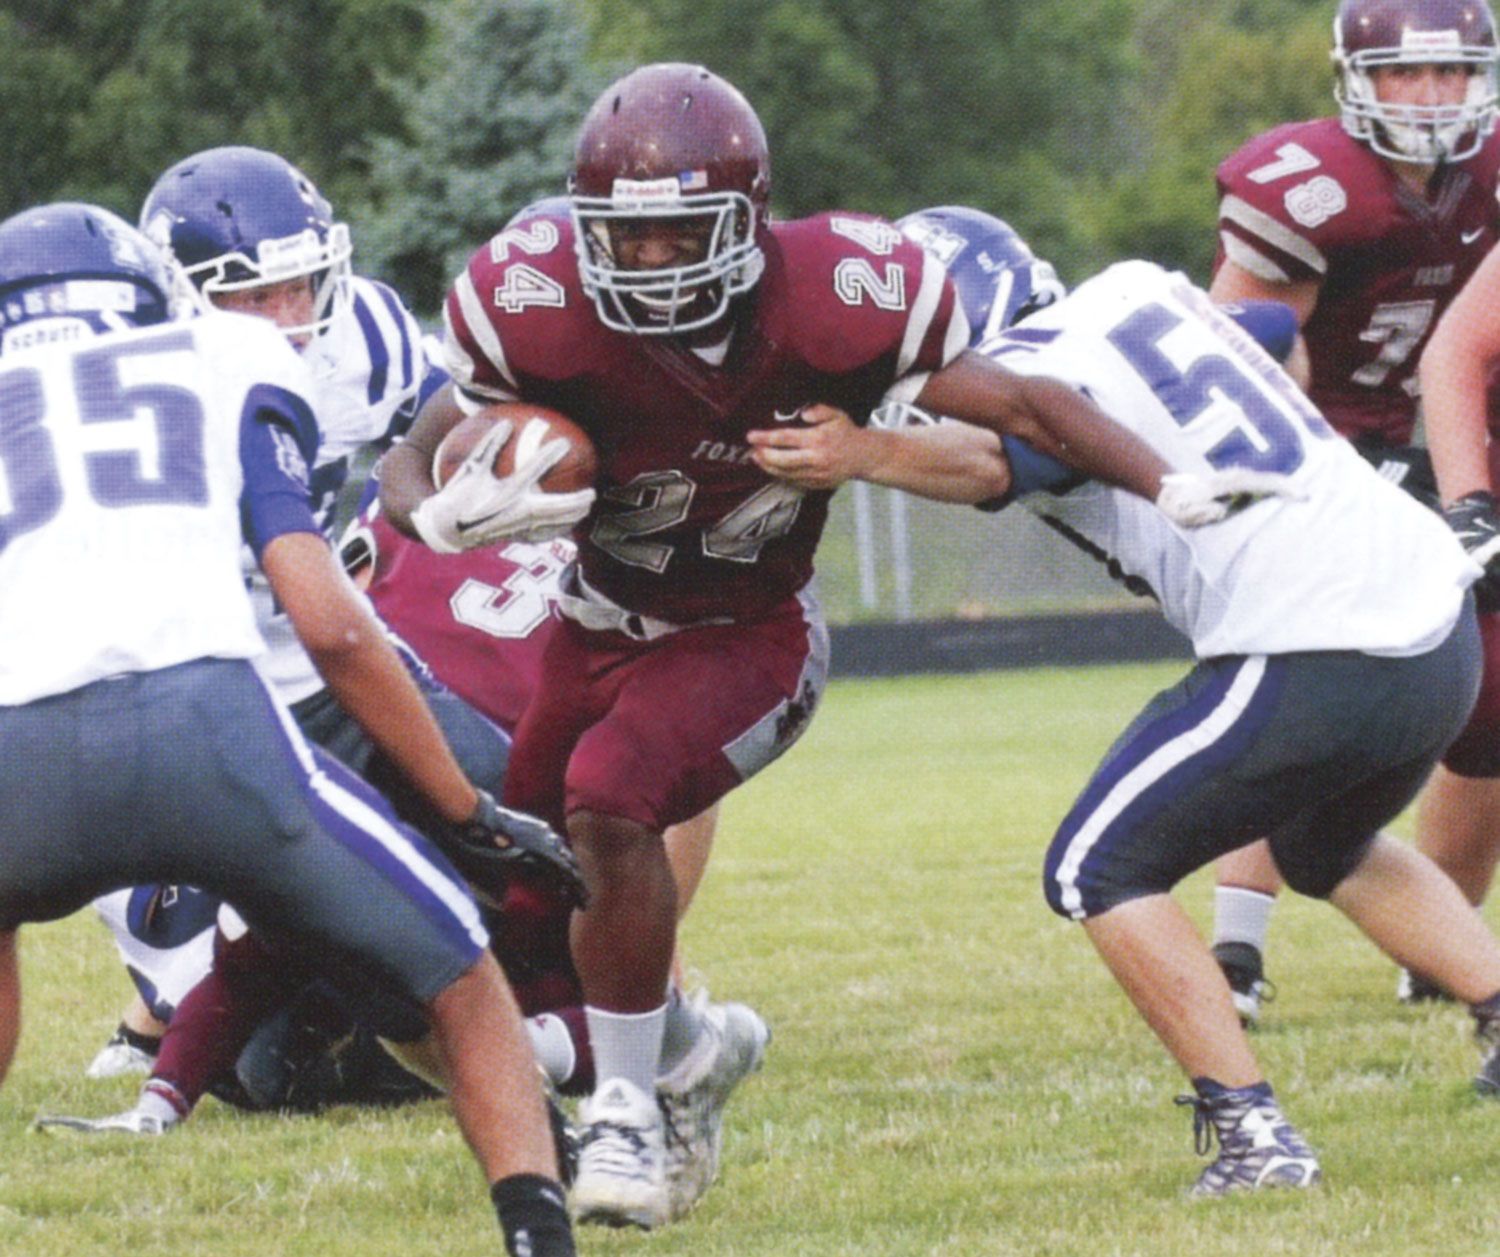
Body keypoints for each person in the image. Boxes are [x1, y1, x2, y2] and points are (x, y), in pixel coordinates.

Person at [379, 63, 1295, 1228]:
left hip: (750, 632)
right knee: (538, 874)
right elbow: (413, 454)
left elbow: (1017, 406)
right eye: (628, 238)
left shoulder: (840, 292)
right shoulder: (536, 301)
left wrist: (1171, 481)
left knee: (614, 801)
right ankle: (694, 1051)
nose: (651, 263)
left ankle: (622, 1114)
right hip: (597, 625)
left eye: (680, 236)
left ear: (747, 223)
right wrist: (434, 513)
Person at [752, 209, 1500, 1195]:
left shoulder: (1030, 366)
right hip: (1436, 625)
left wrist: (865, 454)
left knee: (1096, 865)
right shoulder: (1144, 288)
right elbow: (1271, 334)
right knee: (1327, 847)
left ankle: (1254, 1137)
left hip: (1318, 640)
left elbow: (1000, 448)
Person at [0, 202, 576, 1256]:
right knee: (459, 972)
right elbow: (331, 625)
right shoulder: (221, 353)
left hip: (16, 759)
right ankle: (542, 1228)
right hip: (210, 734)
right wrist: (463, 807)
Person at [83, 144, 500, 1080]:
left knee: (499, 799)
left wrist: (455, 479)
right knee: (267, 1066)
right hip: (174, 691)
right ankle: (164, 1009)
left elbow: (438, 424)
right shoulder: (125, 384)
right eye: (253, 295)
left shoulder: (365, 339)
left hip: (314, 657)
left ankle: (618, 1008)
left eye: (302, 285)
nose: (290, 316)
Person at [1205, 0, 1500, 1020]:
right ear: (1354, 79)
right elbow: (1234, 354)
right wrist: (1316, 474)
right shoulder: (1311, 187)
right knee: (1307, 688)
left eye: (1451, 73)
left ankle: (1443, 954)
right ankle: (1236, 948)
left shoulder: (1492, 169)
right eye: (1406, 75)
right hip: (1315, 444)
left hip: (1453, 445)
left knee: (1487, 709)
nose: (1430, 97)